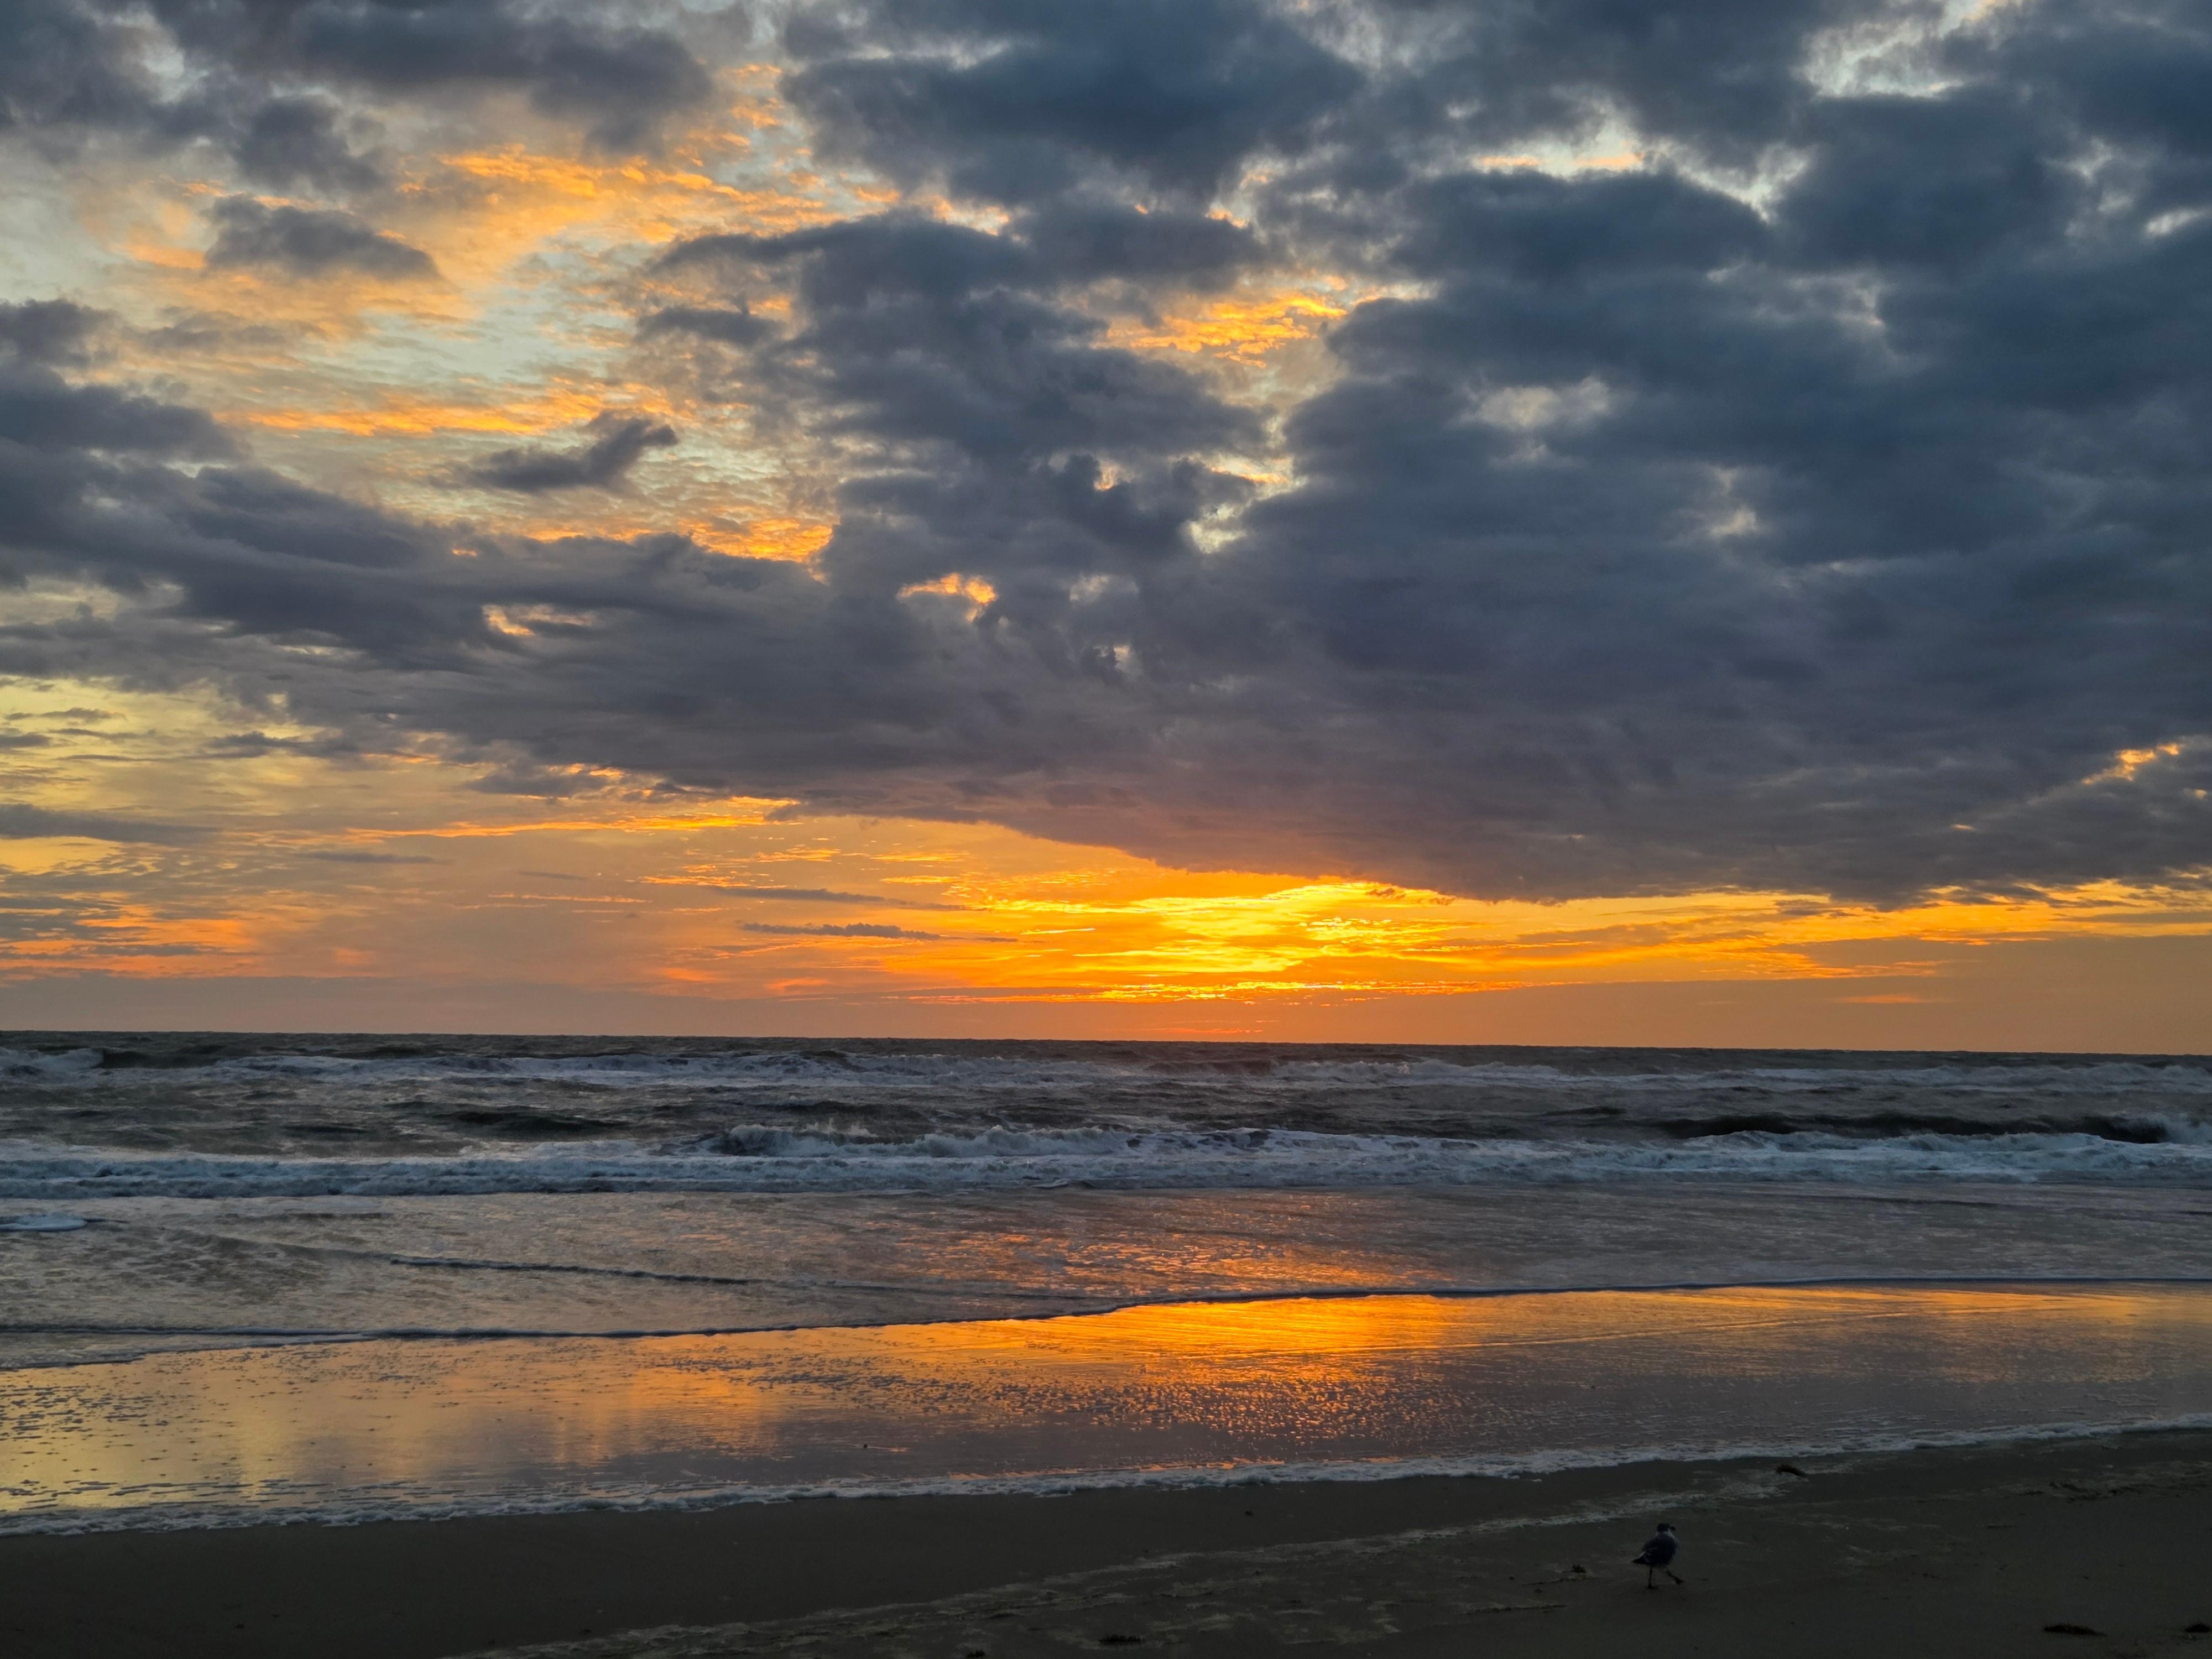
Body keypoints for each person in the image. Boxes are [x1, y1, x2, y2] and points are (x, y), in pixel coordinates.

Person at [1633, 1521, 1684, 1589]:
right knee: (1663, 1566)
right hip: (1654, 1557)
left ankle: (1650, 1584)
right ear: (1667, 1529)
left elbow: (1646, 1547)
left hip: (1646, 1554)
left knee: (1652, 1568)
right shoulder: (1672, 1540)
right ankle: (1676, 1579)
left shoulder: (1655, 1538)